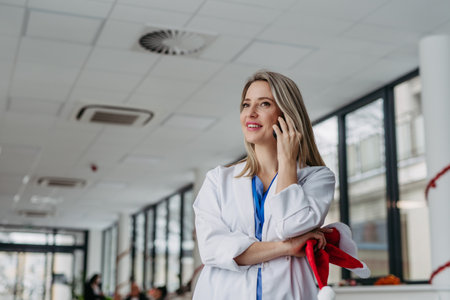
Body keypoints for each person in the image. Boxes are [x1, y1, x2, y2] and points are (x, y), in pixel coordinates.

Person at [193, 70, 336, 299]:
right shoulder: (218, 180)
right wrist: (286, 248)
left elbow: (292, 225)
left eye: (264, 104)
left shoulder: (317, 178)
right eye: (246, 104)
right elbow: (213, 250)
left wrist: (288, 160)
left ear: (287, 115)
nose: (250, 113)